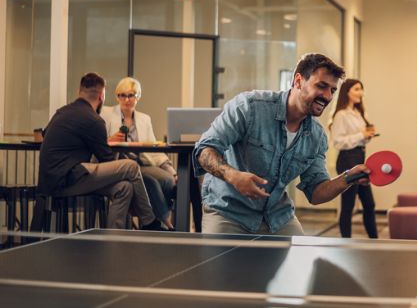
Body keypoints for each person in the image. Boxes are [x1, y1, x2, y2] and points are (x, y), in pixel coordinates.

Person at [194, 53, 371, 235]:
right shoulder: (249, 107)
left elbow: (316, 192)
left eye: (333, 90)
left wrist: (349, 177)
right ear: (298, 81)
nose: (327, 96)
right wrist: (233, 176)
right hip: (228, 212)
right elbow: (204, 151)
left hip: (277, 217)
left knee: (302, 262)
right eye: (321, 86)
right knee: (220, 264)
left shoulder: (317, 137)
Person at [38, 72, 164, 230]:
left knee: (125, 188)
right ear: (102, 96)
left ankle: (112, 240)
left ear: (79, 92)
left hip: (51, 179)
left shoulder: (61, 112)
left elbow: (46, 134)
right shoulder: (93, 120)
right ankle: (149, 221)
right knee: (131, 167)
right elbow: (107, 160)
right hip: (67, 178)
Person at [101, 77, 177, 230]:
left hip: (141, 163)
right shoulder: (107, 114)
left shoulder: (144, 119)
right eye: (122, 95)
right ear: (117, 96)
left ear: (138, 96)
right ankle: (165, 223)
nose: (127, 99)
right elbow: (98, 143)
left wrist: (172, 171)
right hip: (119, 165)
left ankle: (157, 216)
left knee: (168, 180)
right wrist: (110, 139)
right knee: (151, 182)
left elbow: (154, 150)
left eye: (131, 95)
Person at [330, 79, 378, 238]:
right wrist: (361, 135)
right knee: (348, 204)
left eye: (361, 89)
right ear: (347, 92)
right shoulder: (341, 115)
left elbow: (360, 139)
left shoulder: (359, 113)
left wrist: (367, 135)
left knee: (369, 204)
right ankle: (346, 242)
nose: (361, 93)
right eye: (357, 89)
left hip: (359, 158)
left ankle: (375, 240)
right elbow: (338, 142)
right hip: (347, 160)